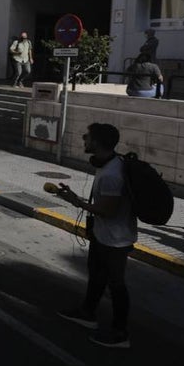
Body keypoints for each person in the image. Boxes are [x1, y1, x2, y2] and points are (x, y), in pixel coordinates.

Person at [54, 123, 137, 349]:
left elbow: (108, 211)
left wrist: (77, 202)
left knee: (116, 285)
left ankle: (120, 333)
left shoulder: (111, 174)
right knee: (97, 275)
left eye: (87, 137)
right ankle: (87, 313)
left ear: (97, 143)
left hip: (115, 239)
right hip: (103, 235)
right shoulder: (110, 163)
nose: (83, 139)